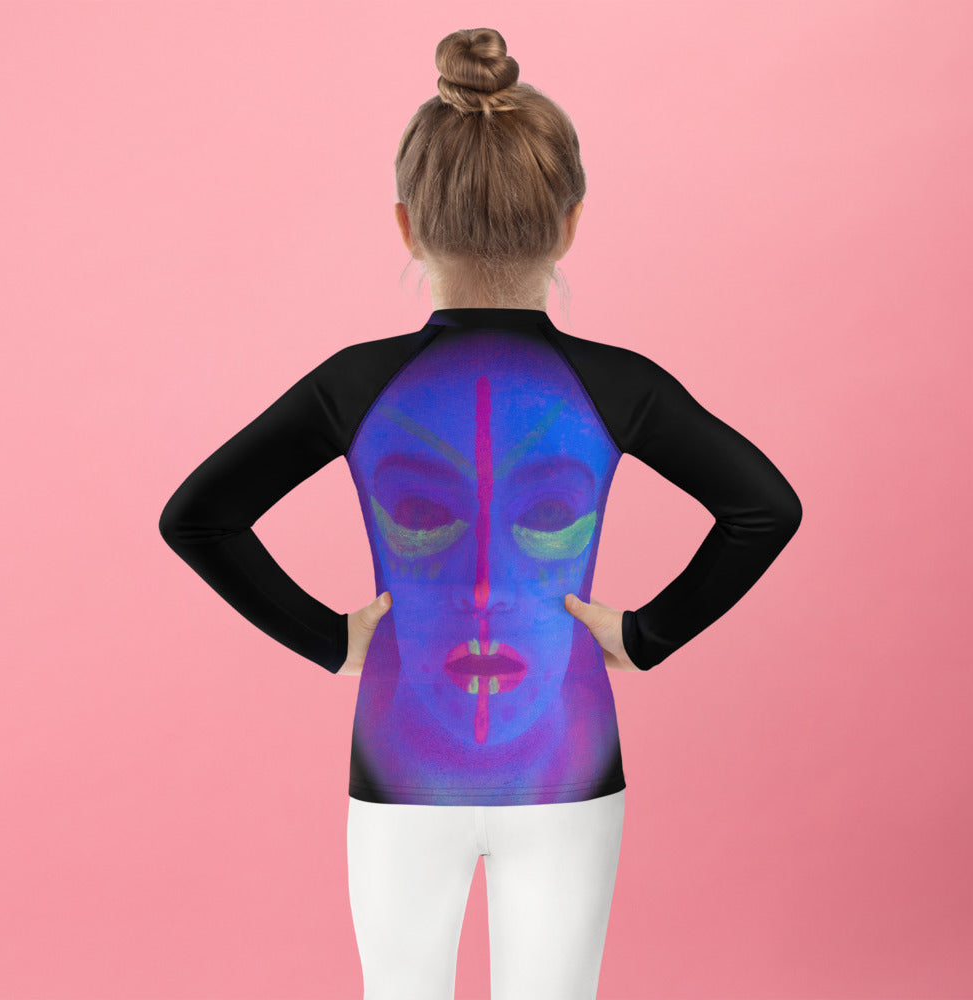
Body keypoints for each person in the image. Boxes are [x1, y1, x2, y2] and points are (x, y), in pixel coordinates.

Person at [158, 26, 803, 1000]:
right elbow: (762, 507)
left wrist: (329, 637)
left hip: (399, 769)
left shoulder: (356, 385)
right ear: (570, 223)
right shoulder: (617, 385)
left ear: (407, 227)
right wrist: (646, 634)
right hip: (566, 767)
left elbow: (198, 517)